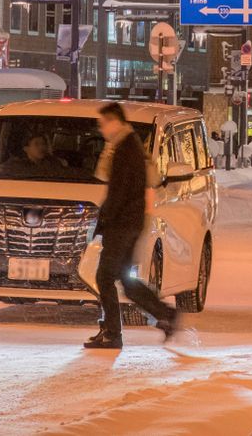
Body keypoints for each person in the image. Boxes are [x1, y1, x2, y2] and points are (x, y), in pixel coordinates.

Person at [85, 103, 178, 350]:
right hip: (128, 223)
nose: (101, 129)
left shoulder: (127, 149)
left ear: (115, 121)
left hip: (122, 224)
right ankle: (165, 315)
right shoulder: (125, 145)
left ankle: (112, 334)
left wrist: (105, 220)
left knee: (104, 277)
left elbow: (120, 191)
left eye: (103, 123)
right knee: (125, 280)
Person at [0, 132, 68, 178]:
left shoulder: (53, 163)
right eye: (37, 144)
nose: (42, 147)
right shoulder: (16, 166)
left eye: (43, 144)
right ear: (26, 148)